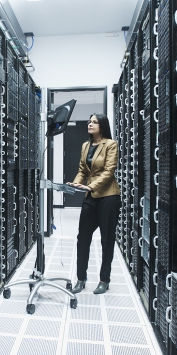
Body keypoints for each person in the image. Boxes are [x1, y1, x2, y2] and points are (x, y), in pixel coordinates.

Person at [67, 113, 121, 294]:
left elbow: (109, 171)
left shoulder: (111, 145)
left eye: (94, 122)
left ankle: (104, 280)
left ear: (102, 126)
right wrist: (76, 183)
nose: (90, 124)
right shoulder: (85, 145)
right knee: (82, 238)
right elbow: (82, 169)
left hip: (108, 197)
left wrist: (89, 186)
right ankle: (81, 279)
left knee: (107, 240)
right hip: (90, 198)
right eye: (89, 121)